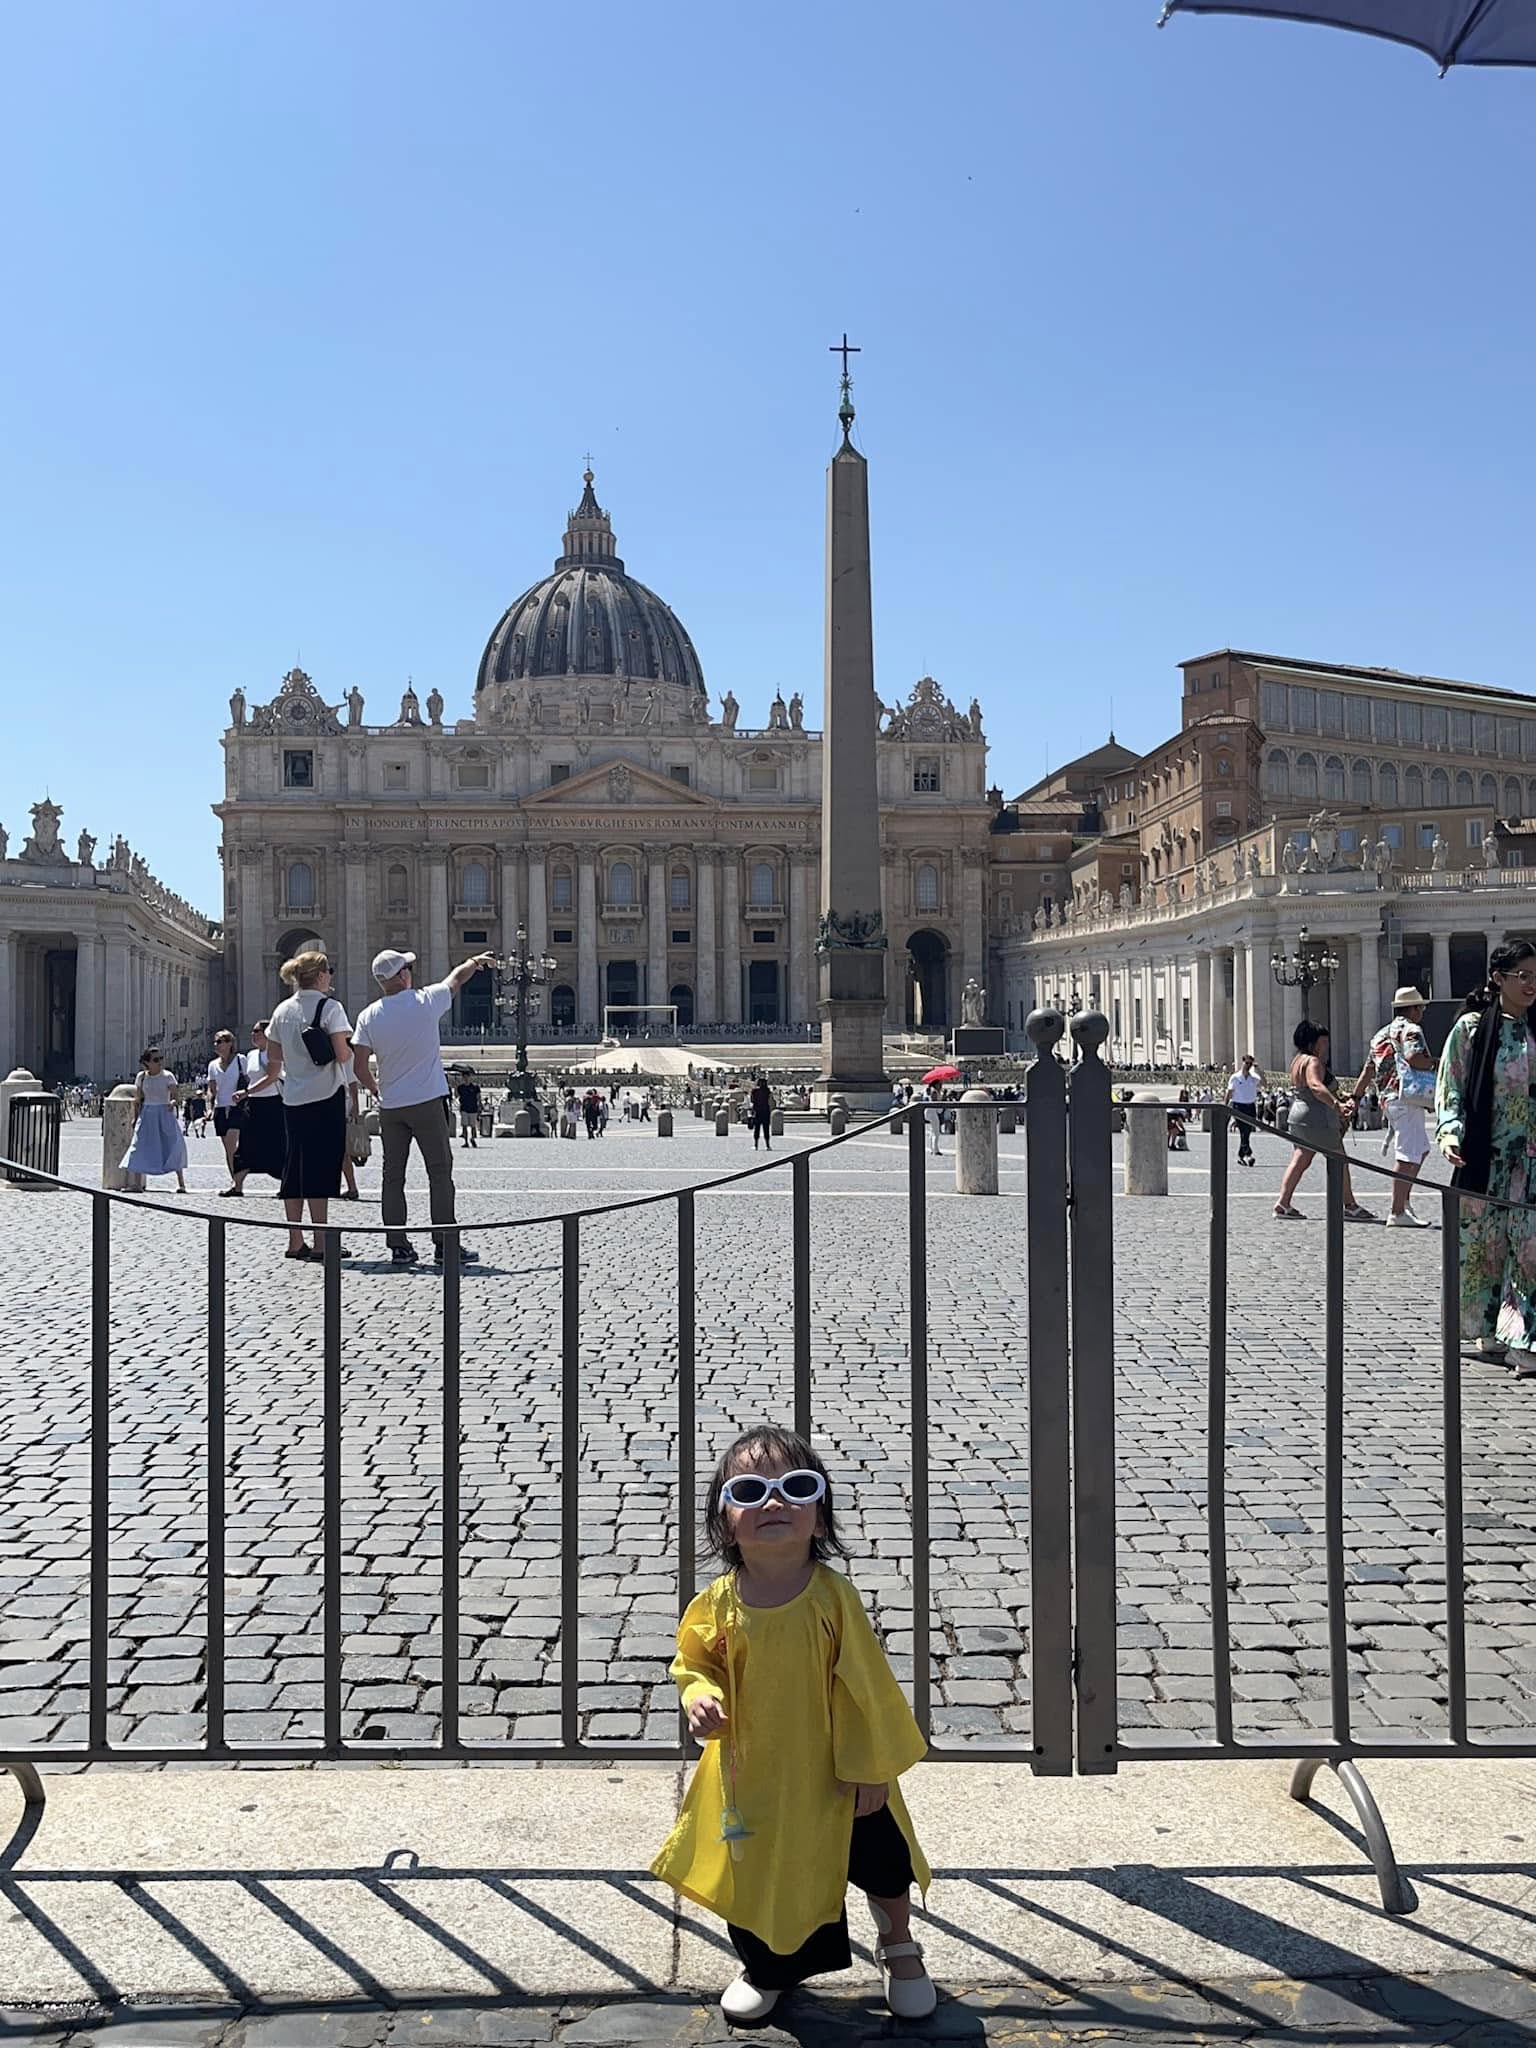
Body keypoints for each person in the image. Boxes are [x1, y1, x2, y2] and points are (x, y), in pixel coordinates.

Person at [651, 1426, 935, 2024]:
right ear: (726, 1522)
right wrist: (698, 1695)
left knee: (880, 1859)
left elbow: (866, 1688)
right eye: (751, 1490)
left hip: (840, 1771)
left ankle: (899, 1945)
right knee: (758, 1868)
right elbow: (694, 1661)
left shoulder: (833, 1599)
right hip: (756, 1775)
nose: (774, 1503)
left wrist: (869, 1770)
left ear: (821, 1520)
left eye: (795, 1487)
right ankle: (770, 1966)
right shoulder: (717, 1604)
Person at [351, 948, 493, 1268]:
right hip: (427, 1102)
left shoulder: (368, 1015)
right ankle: (444, 1244)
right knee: (440, 1174)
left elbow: (359, 1066)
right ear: (402, 976)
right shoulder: (424, 1001)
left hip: (391, 1107)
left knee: (392, 1177)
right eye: (408, 968)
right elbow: (456, 979)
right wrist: (474, 962)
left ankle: (398, 1246)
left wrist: (376, 1090)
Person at [1437, 939, 1536, 1369]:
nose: (1532, 984)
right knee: (1485, 1249)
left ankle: (1523, 1337)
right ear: (1499, 979)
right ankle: (1488, 1327)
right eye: (1523, 976)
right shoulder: (1472, 1029)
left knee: (1528, 1251)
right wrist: (1450, 1132)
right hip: (1484, 1158)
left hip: (1529, 1161)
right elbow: (1452, 1083)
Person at [262, 950, 353, 1263]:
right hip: (326, 1095)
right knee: (322, 1169)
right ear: (321, 975)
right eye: (329, 971)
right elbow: (342, 1055)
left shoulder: (282, 1010)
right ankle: (321, 1242)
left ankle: (294, 1240)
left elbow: (273, 1061)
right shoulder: (331, 1008)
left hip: (293, 1097)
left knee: (294, 1167)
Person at [1274, 1020, 1374, 1222]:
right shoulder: (1313, 1062)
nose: (1326, 1047)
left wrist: (1340, 1096)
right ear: (1313, 1043)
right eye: (1323, 1043)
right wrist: (1337, 1106)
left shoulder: (1297, 1061)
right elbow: (1316, 1086)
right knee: (1339, 1159)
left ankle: (1283, 1203)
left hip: (1298, 1116)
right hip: (1317, 1118)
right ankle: (1350, 1205)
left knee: (1300, 1159)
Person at [1352, 986, 1435, 1228]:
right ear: (1411, 1008)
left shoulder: (1380, 1034)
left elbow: (1368, 1068)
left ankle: (1404, 1201)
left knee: (1421, 1148)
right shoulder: (1411, 1029)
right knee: (1408, 1152)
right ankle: (1397, 1210)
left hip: (1388, 1097)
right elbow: (1414, 1058)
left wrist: (1356, 1097)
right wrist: (1436, 1064)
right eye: (1420, 1007)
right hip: (1405, 1095)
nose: (1422, 1011)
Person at [223, 1021, 285, 1196]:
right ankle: (237, 1186)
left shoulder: (275, 1053)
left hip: (273, 1103)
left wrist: (246, 1092)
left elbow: (272, 1076)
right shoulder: (251, 1055)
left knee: (277, 1144)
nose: (252, 1034)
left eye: (256, 1031)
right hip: (254, 1103)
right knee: (245, 1144)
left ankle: (285, 1184)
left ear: (267, 1033)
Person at [119, 1047, 187, 1192]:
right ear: (147, 1062)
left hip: (164, 1112)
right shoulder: (141, 1077)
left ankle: (181, 1183)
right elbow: (138, 1099)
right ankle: (137, 1184)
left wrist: (173, 1103)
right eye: (156, 1059)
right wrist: (135, 1117)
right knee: (139, 1145)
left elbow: (176, 1096)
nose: (160, 1062)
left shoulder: (168, 1076)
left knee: (172, 1144)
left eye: (161, 1058)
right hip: (147, 1113)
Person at [206, 1031, 247, 1180]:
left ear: (230, 1043)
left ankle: (238, 1178)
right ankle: (235, 1181)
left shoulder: (240, 1060)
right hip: (220, 1108)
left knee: (231, 1143)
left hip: (237, 1107)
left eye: (220, 1041)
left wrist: (245, 1094)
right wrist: (209, 1108)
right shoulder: (212, 1065)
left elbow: (249, 1081)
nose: (217, 1045)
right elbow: (211, 1089)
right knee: (228, 1148)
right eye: (215, 1042)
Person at [1226, 1053, 1261, 1168]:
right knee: (1243, 1130)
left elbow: (1265, 1083)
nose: (1248, 1066)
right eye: (1246, 1063)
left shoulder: (1253, 1078)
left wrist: (1259, 1070)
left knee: (1247, 1132)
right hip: (1239, 1106)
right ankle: (1248, 1154)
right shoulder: (1235, 1077)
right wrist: (1225, 1106)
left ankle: (1241, 1156)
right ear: (1242, 1062)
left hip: (1250, 1106)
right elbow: (1229, 1093)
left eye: (1250, 1064)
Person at [456, 1070, 482, 1148]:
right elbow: (456, 1096)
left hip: (473, 1108)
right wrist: (455, 1087)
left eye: (467, 1077)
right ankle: (466, 1141)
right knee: (464, 1126)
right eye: (464, 1077)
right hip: (464, 1108)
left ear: (470, 1077)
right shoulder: (460, 1087)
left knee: (473, 1126)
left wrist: (480, 1106)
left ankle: (472, 1138)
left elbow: (478, 1097)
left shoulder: (475, 1087)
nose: (466, 1079)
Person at [749, 1075, 774, 1151]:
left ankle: (756, 1145)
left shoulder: (754, 1091)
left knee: (757, 1129)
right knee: (766, 1129)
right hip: (766, 1111)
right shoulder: (767, 1091)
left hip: (757, 1111)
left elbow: (752, 1101)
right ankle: (767, 1145)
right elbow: (770, 1100)